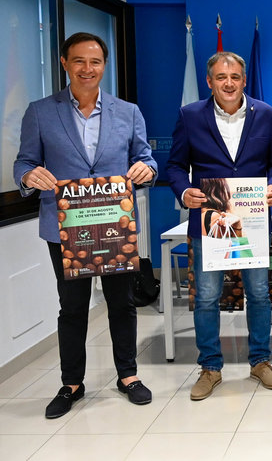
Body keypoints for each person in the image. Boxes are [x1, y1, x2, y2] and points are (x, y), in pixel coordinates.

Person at [13, 32, 157, 418]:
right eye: (79, 61)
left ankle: (128, 376)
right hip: (65, 229)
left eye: (95, 62)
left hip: (116, 226)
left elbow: (146, 158)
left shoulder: (127, 112)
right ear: (64, 63)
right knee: (72, 307)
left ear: (104, 66)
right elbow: (23, 163)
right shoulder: (41, 111)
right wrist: (29, 178)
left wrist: (148, 168)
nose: (87, 69)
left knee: (121, 304)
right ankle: (71, 384)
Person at [167, 51, 272, 400]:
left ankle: (260, 361)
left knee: (259, 294)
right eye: (221, 77)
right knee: (206, 298)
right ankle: (210, 367)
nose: (229, 83)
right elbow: (175, 166)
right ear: (210, 82)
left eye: (235, 76)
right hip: (210, 218)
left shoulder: (266, 114)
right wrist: (183, 189)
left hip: (251, 218)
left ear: (244, 79)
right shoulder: (190, 116)